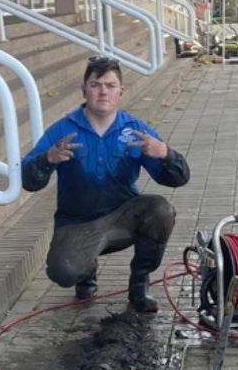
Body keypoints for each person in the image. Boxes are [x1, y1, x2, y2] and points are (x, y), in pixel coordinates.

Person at [21, 56, 190, 314]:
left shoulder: (135, 130)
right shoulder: (63, 130)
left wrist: (166, 153)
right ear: (84, 89)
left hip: (124, 217)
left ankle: (139, 283)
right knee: (63, 271)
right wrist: (47, 159)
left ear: (121, 92)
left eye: (110, 85)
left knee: (161, 211)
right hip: (78, 221)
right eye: (96, 84)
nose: (103, 91)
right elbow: (29, 181)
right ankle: (85, 271)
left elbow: (178, 179)